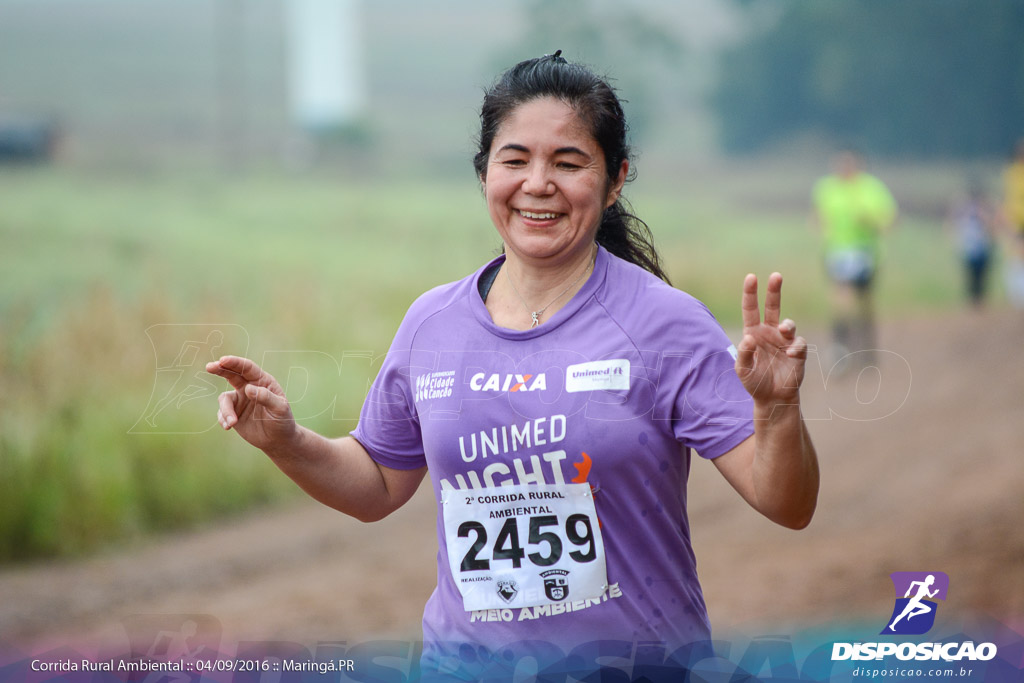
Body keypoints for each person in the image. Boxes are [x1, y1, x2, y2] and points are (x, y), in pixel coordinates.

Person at [207, 53, 819, 679]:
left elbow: (786, 504)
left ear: (615, 181)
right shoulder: (432, 322)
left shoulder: (666, 324)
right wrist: (286, 441)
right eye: (515, 159)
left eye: (569, 162)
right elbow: (379, 484)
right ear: (484, 175)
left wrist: (777, 410)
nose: (538, 183)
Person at [812, 149, 897, 368]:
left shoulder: (871, 188)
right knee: (841, 299)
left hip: (865, 253)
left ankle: (867, 351)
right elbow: (818, 217)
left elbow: (889, 220)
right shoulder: (827, 188)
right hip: (838, 253)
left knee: (864, 302)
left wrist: (869, 220)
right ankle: (841, 350)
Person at [948, 181, 998, 309]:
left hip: (982, 246)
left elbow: (993, 225)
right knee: (971, 274)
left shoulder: (985, 209)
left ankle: (980, 301)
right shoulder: (964, 209)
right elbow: (954, 221)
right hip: (970, 247)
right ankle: (972, 301)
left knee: (981, 274)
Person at [1002, 138, 1024, 309]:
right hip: (1017, 222)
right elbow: (1009, 199)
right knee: (1016, 257)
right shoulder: (1011, 174)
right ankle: (1017, 296)